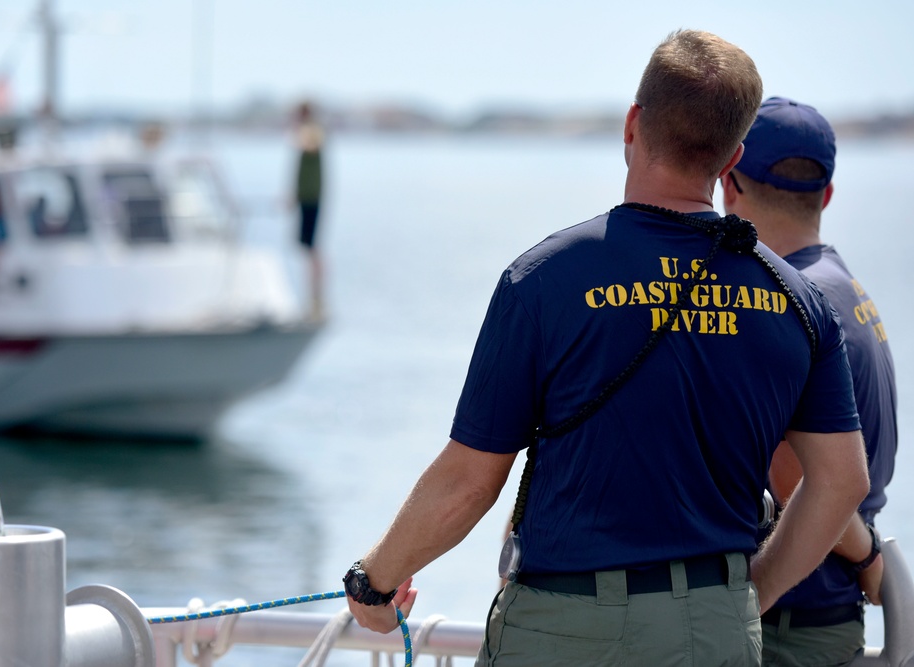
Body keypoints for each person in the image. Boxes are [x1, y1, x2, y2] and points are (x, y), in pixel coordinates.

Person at [342, 29, 869, 666]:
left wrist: (375, 579)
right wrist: (752, 593)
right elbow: (841, 482)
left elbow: (469, 482)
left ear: (632, 123)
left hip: (564, 631)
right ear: (732, 159)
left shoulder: (542, 280)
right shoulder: (799, 303)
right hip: (715, 629)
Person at [721, 97, 898, 667]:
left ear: (729, 182)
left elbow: (801, 476)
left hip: (784, 629)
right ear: (825, 195)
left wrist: (871, 559)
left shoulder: (784, 303)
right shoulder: (848, 292)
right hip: (829, 620)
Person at [292, 100, 326, 319]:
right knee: (306, 248)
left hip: (312, 199)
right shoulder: (307, 132)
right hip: (305, 198)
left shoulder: (313, 131)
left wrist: (301, 134)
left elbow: (310, 145)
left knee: (313, 248)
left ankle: (316, 297)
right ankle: (312, 295)